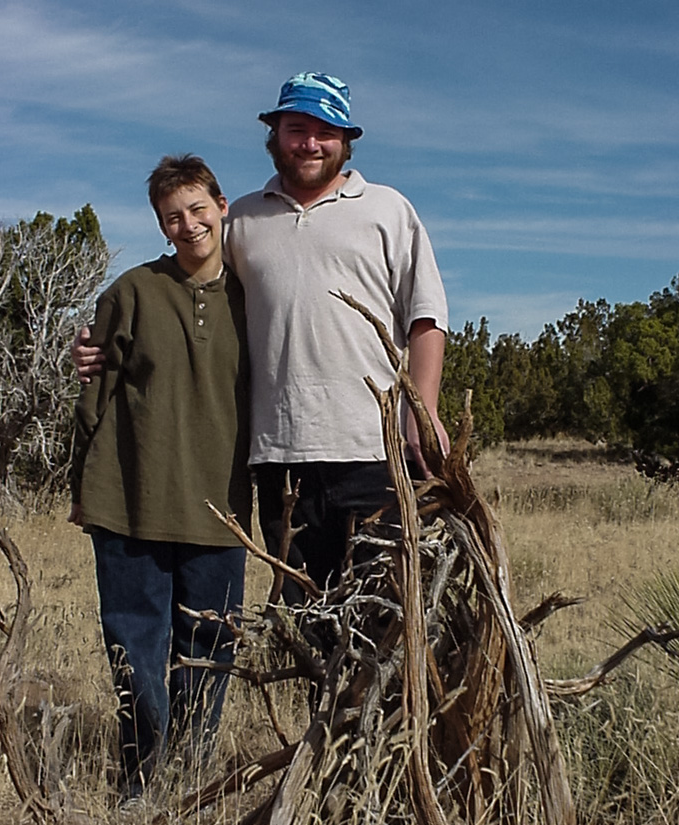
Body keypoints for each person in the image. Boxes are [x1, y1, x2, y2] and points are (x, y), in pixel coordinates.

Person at [73, 72, 450, 606]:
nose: (310, 143)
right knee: (305, 611)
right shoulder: (243, 218)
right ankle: (318, 697)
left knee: (382, 609)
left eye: (326, 131)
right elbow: (187, 282)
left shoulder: (388, 209)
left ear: (347, 141)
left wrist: (423, 413)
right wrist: (102, 337)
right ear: (274, 135)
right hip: (279, 455)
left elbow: (426, 317)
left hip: (374, 447)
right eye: (297, 129)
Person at [69, 155, 251, 803]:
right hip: (130, 499)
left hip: (220, 506)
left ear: (223, 205)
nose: (190, 224)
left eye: (199, 208)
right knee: (135, 644)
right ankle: (141, 777)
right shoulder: (131, 293)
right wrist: (83, 487)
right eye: (173, 216)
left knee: (209, 649)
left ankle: (188, 779)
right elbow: (95, 393)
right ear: (160, 225)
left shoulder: (255, 295)